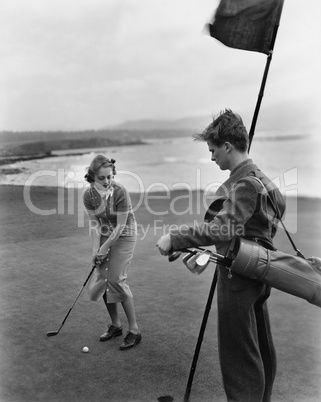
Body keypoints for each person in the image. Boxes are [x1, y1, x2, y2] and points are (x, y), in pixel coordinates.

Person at [156, 109, 286, 402]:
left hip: (238, 276)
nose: (212, 157)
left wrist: (174, 238)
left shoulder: (245, 184)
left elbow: (222, 227)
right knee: (260, 345)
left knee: (238, 354)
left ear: (228, 146)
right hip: (259, 272)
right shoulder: (263, 179)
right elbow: (276, 211)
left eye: (213, 150)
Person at [83, 155, 141, 350]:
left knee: (116, 279)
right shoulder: (88, 195)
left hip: (125, 234)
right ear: (93, 177)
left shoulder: (120, 191)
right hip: (105, 234)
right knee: (104, 279)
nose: (107, 181)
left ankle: (134, 330)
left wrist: (104, 248)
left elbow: (121, 226)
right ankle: (116, 325)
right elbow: (95, 225)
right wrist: (95, 251)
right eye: (102, 178)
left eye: (110, 176)